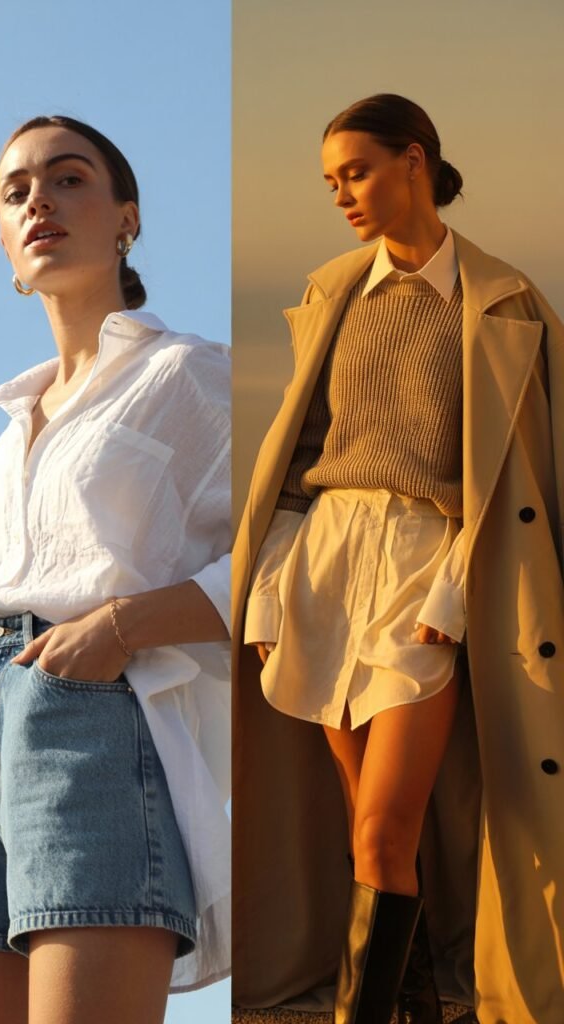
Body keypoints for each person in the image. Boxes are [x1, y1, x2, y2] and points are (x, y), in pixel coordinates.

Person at [232, 94, 564, 1024]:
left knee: (386, 828)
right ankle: (412, 1006)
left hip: (432, 564)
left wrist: (458, 592)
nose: (342, 193)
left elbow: (512, 477)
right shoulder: (334, 289)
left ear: (415, 160)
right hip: (323, 566)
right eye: (331, 180)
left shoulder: (500, 300)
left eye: (358, 171)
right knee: (365, 836)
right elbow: (302, 459)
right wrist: (265, 598)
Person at [0, 114, 231, 1024]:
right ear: (8, 251)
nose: (38, 202)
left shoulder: (192, 376)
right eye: (14, 192)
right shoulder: (11, 424)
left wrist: (121, 627)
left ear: (126, 218)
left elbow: (302, 550)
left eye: (68, 180)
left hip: (91, 721)